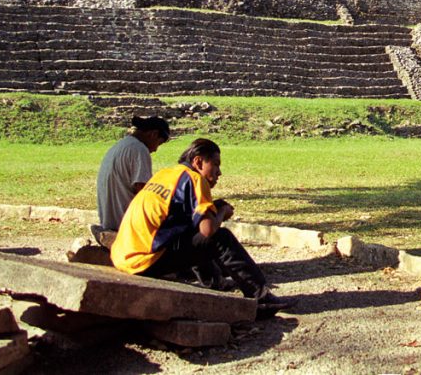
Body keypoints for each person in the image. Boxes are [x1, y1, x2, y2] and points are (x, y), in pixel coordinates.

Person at [110, 138, 291, 317]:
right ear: (198, 161)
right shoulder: (195, 180)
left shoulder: (166, 174)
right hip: (145, 261)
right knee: (221, 238)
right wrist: (222, 214)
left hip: (122, 256)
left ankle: (212, 282)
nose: (219, 172)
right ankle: (260, 297)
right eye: (215, 164)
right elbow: (208, 230)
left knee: (193, 229)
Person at [96, 116, 170, 232]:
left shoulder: (122, 145)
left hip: (108, 221)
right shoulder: (139, 150)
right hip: (125, 223)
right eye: (158, 143)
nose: (155, 150)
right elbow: (143, 191)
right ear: (153, 134)